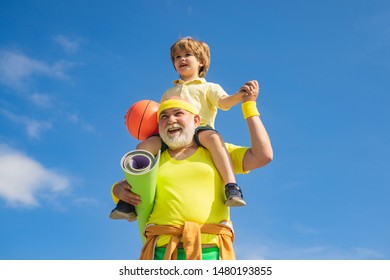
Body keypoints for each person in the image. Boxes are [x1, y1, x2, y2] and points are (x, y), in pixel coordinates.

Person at [111, 87, 273, 260]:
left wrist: (249, 106)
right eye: (164, 116)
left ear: (196, 120)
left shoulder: (217, 151)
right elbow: (129, 187)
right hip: (161, 252)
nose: (171, 120)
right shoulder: (154, 157)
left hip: (210, 251)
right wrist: (117, 190)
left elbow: (263, 156)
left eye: (178, 113)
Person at [110, 37, 255, 220]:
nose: (182, 59)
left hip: (200, 129)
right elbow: (158, 118)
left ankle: (231, 187)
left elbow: (224, 103)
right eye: (177, 57)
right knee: (142, 148)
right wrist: (133, 117)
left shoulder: (209, 87)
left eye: (188, 55)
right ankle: (129, 199)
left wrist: (239, 95)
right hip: (172, 132)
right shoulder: (169, 92)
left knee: (214, 139)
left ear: (201, 62)